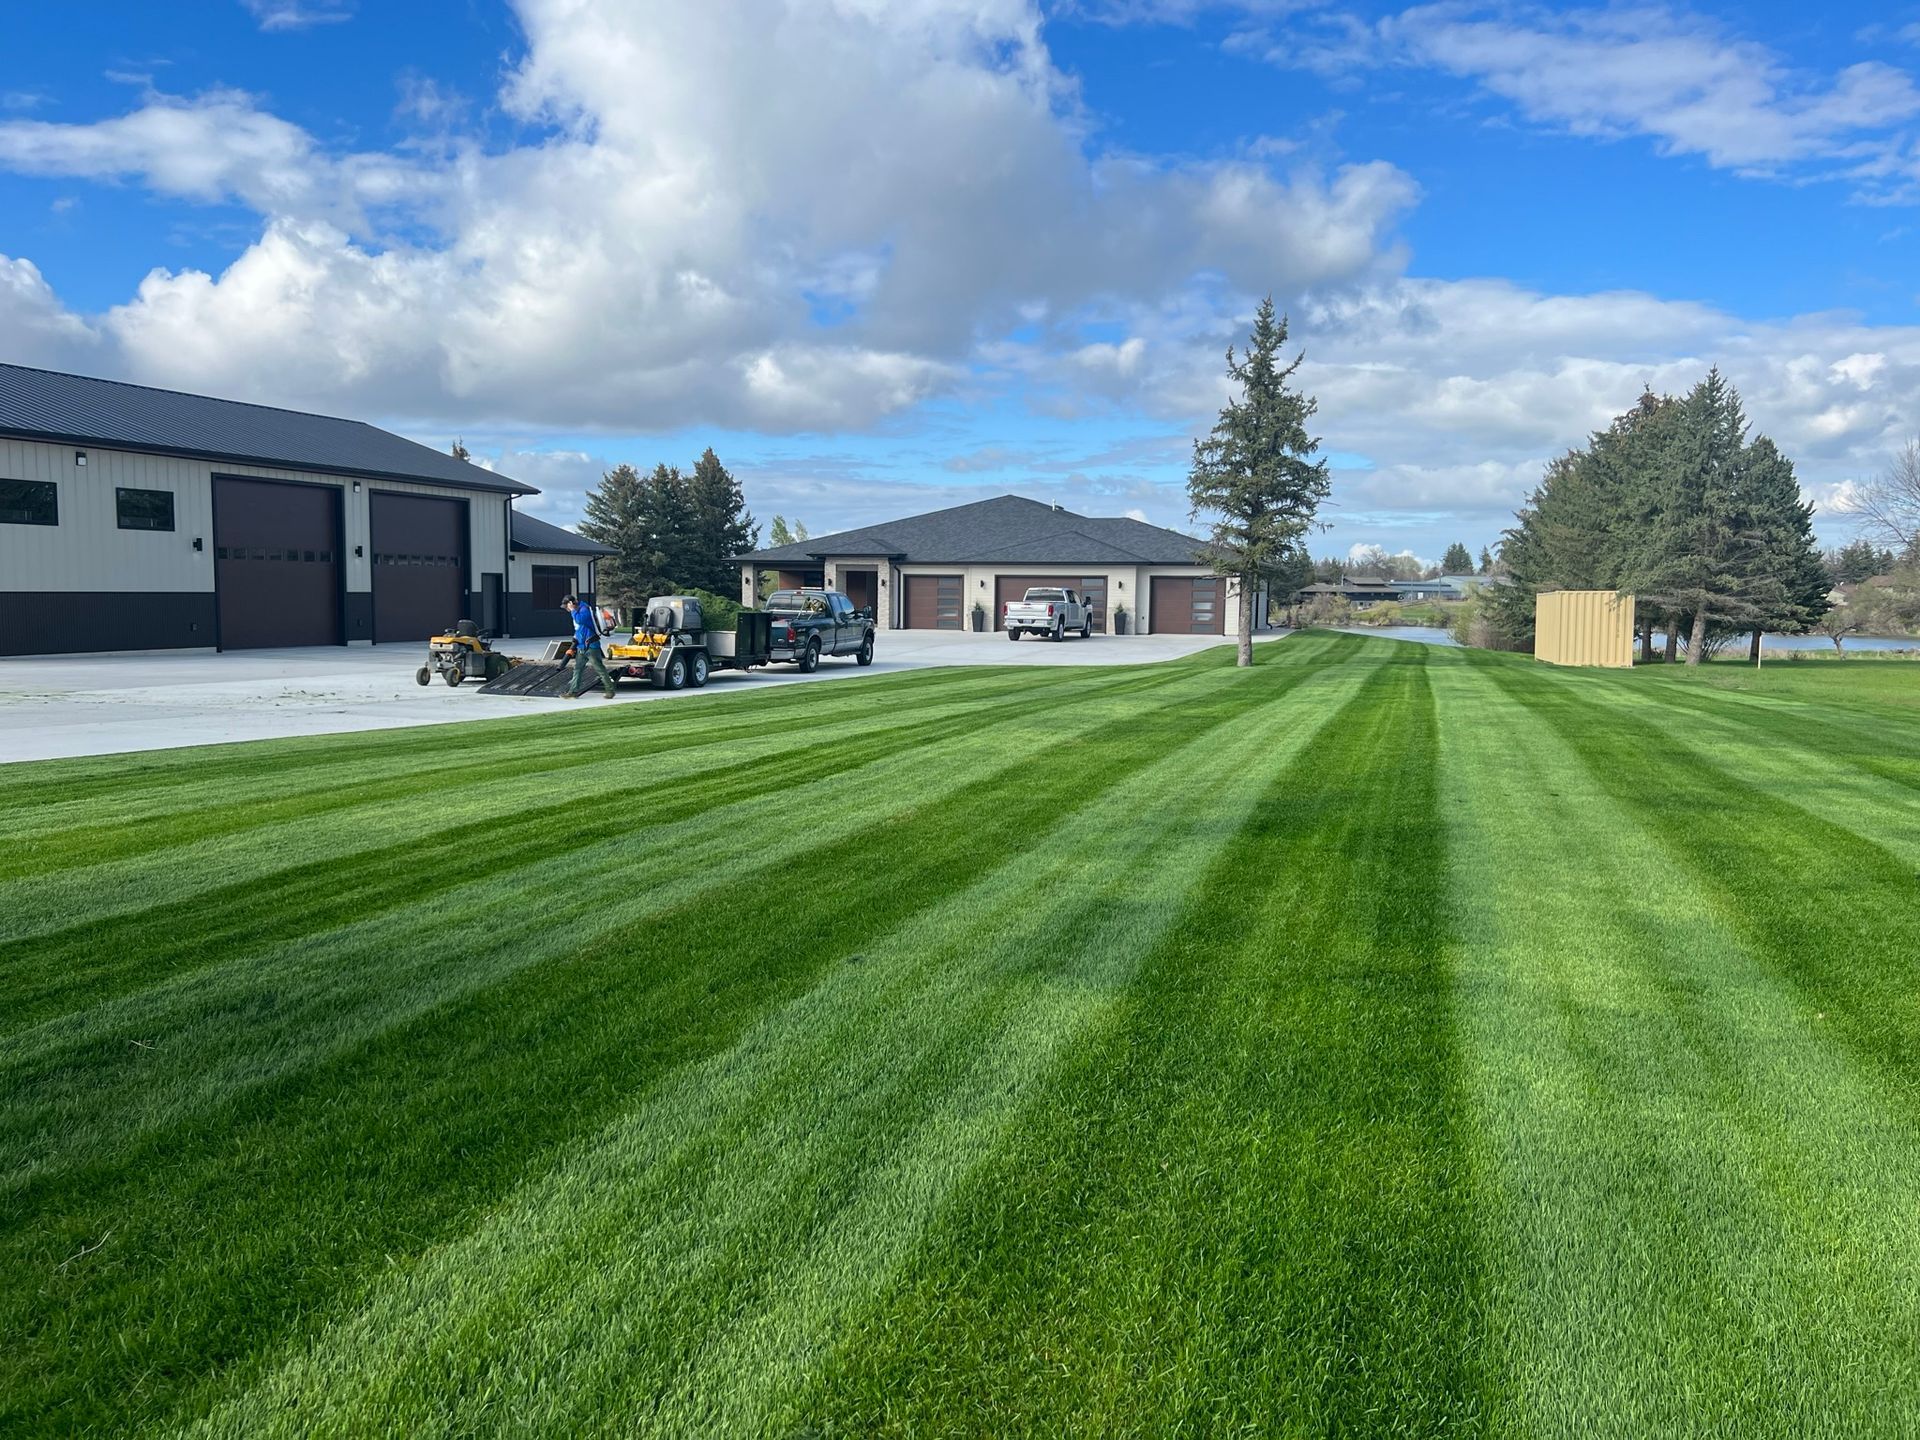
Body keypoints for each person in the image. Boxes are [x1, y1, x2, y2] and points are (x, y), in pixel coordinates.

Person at [561, 595, 617, 699]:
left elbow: (580, 620)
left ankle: (610, 691)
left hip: (591, 646)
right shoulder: (577, 612)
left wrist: (573, 610)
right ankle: (573, 692)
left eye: (567, 607)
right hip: (582, 646)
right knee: (577, 669)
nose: (567, 609)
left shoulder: (584, 610)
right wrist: (574, 640)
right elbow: (579, 628)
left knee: (600, 669)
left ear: (571, 604)